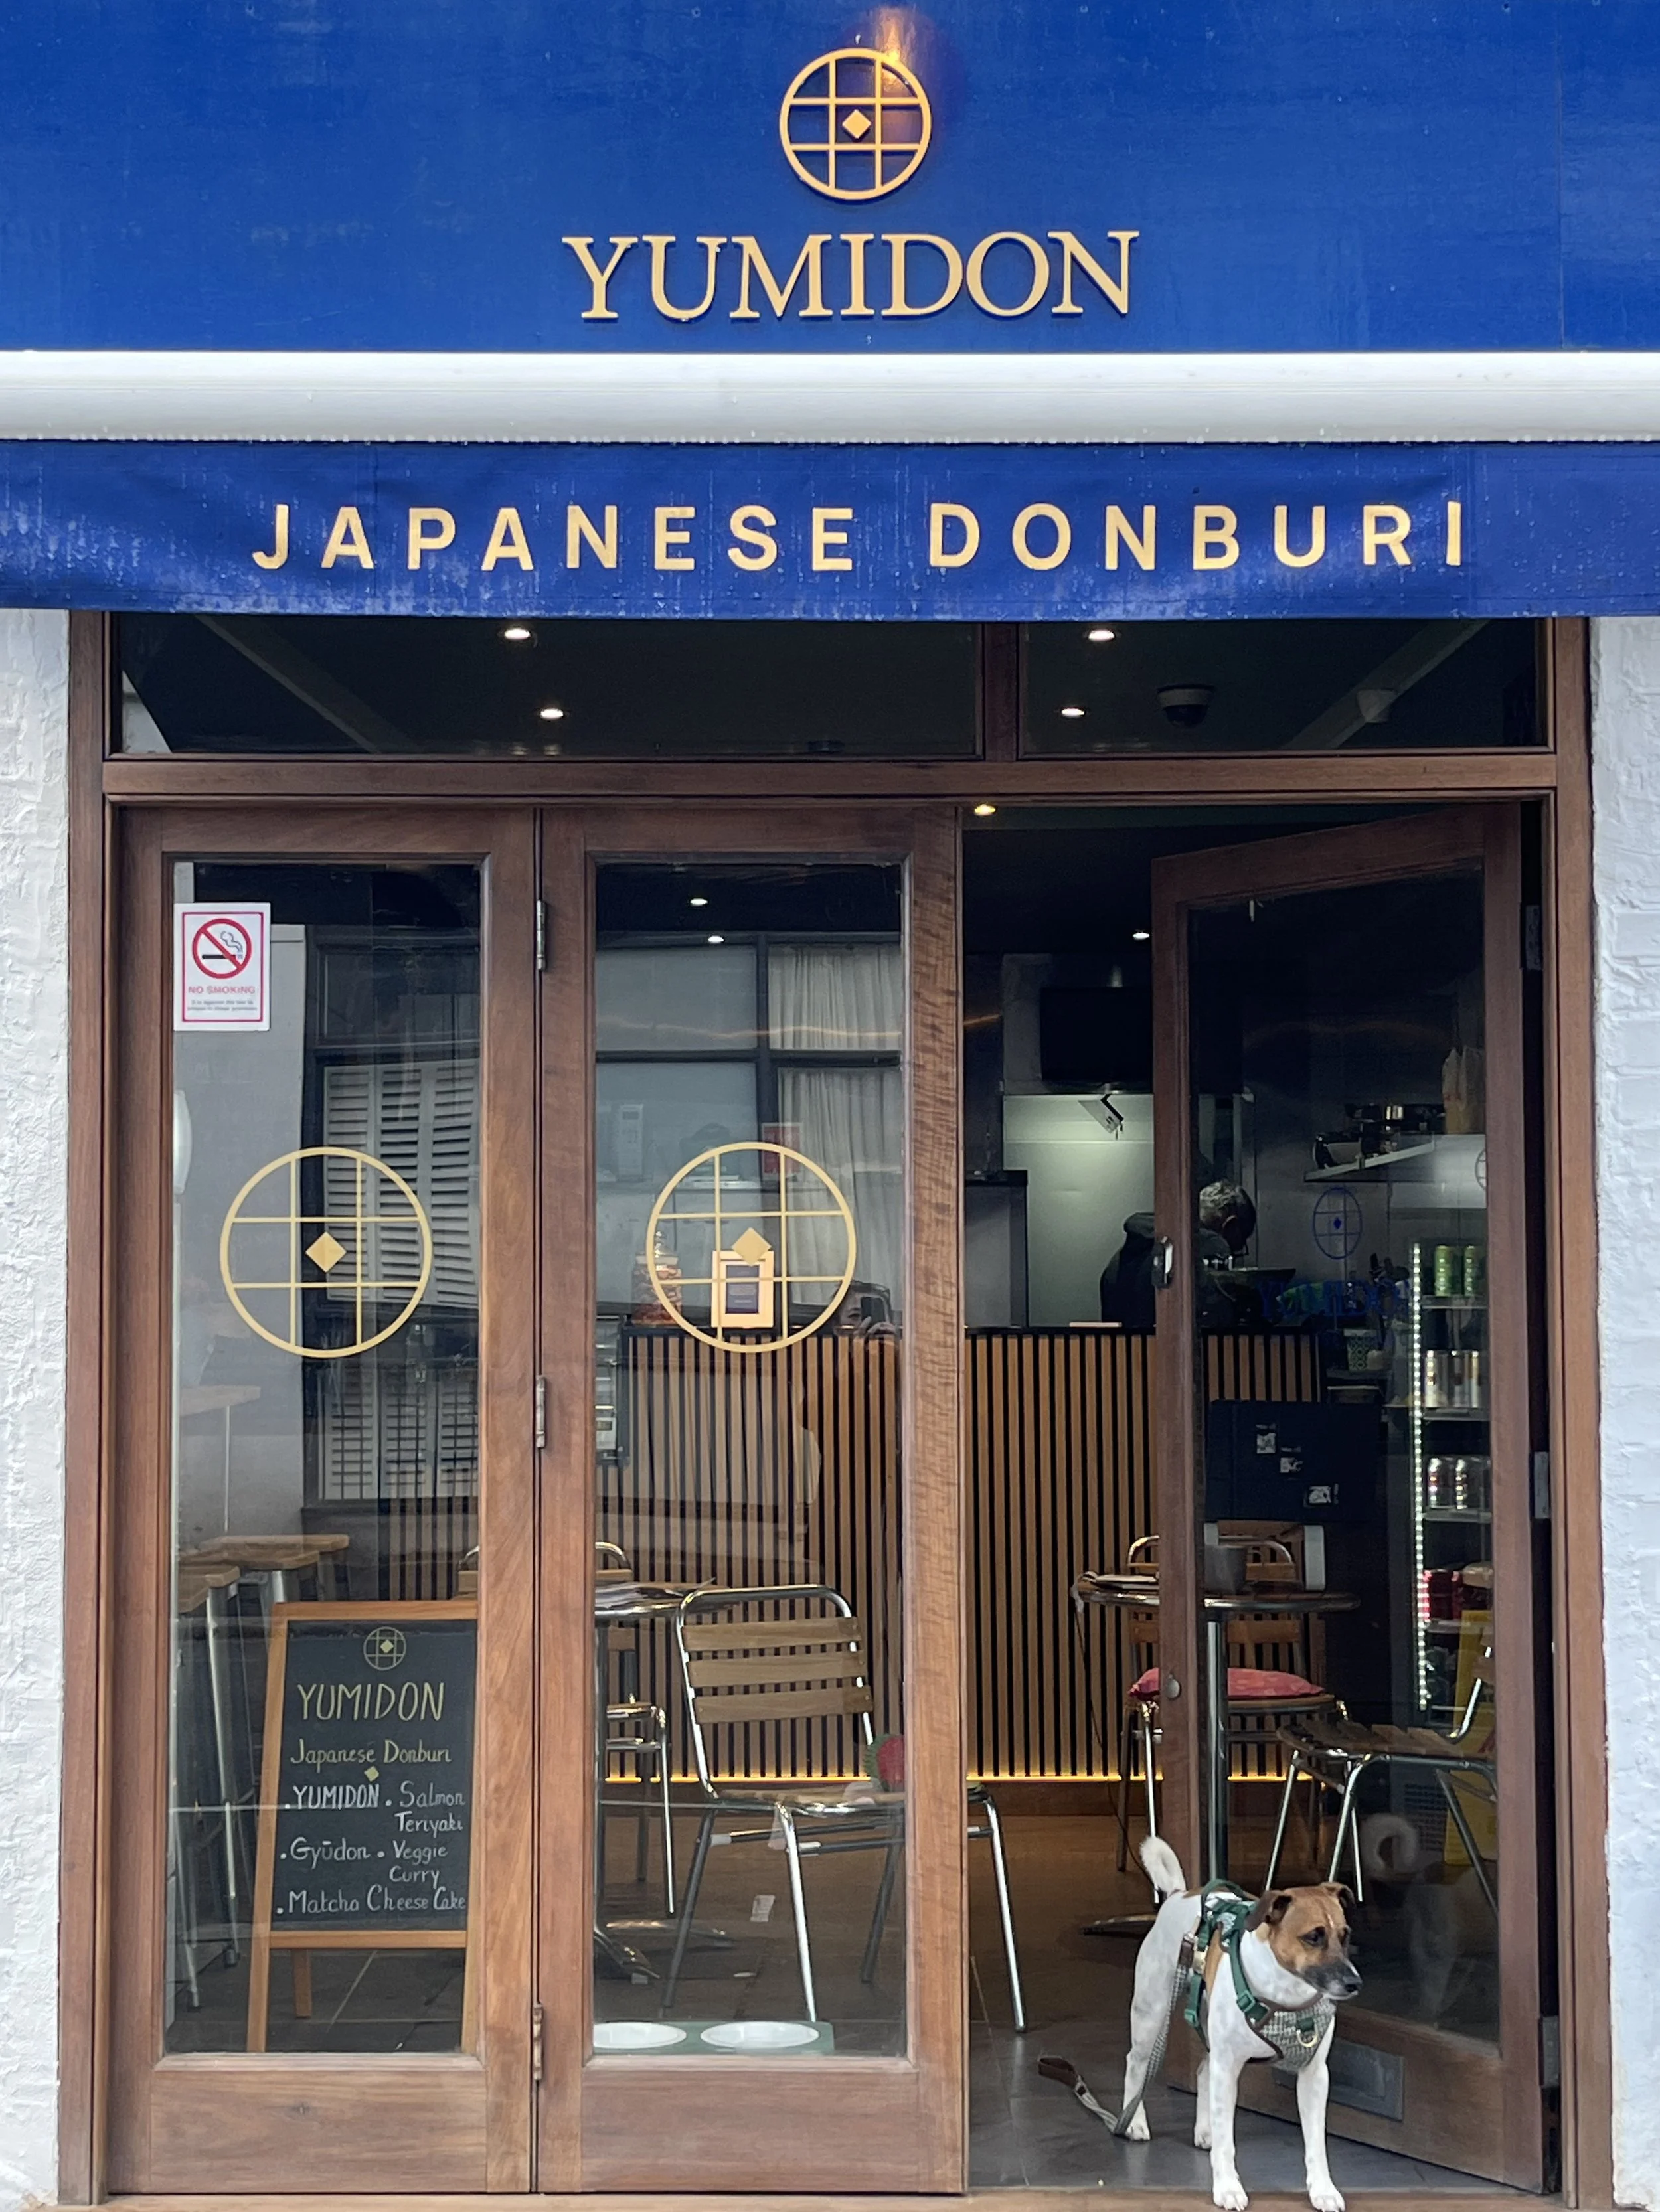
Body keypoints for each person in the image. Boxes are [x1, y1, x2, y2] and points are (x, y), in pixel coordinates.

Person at [1098, 1179, 1257, 1328]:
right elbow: (1220, 1320)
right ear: (1231, 1226)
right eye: (1239, 1243)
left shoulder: (1120, 1258)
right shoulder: (1209, 1246)